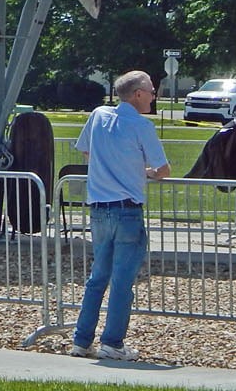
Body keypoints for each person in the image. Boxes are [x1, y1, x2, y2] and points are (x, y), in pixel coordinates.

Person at [69, 70, 170, 362]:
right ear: (137, 94)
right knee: (123, 281)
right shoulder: (142, 126)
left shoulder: (98, 115)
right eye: (151, 90)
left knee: (97, 277)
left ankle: (81, 339)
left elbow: (86, 153)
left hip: (99, 208)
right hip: (127, 210)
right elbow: (162, 170)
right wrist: (143, 172)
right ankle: (112, 342)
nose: (154, 95)